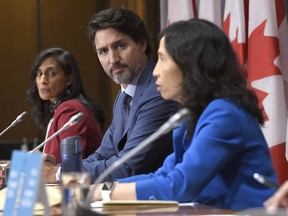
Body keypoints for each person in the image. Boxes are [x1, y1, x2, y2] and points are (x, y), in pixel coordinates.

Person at [90, 19, 278, 211]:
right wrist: (100, 189)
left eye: (162, 60)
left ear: (190, 64)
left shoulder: (224, 113)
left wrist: (102, 192)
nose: (155, 72)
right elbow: (164, 175)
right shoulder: (192, 115)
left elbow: (180, 184)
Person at [42, 8, 179, 183]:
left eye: (120, 46)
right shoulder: (124, 95)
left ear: (142, 44)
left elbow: (128, 167)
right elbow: (102, 154)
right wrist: (61, 169)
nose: (113, 59)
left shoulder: (159, 91)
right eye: (103, 51)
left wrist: (58, 173)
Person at [27, 47, 105, 164]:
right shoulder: (59, 109)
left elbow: (72, 165)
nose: (43, 80)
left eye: (51, 73)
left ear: (68, 79)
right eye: (39, 74)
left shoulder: (70, 110)